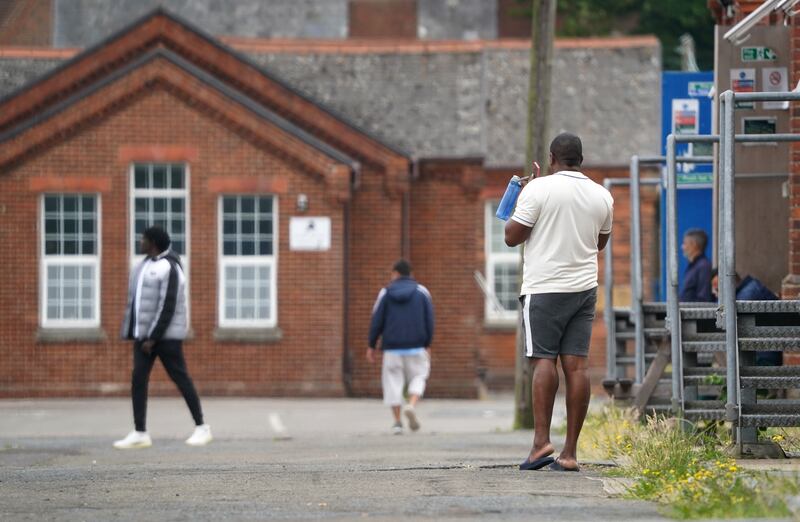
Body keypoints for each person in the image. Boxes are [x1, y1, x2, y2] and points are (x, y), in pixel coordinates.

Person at [504, 132, 613, 472]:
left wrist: (521, 196)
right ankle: (569, 453)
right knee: (577, 366)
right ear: (580, 158)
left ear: (551, 158)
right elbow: (600, 243)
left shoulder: (538, 188)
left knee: (543, 362)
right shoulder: (602, 196)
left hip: (544, 288)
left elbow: (511, 236)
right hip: (583, 289)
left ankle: (540, 443)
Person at [114, 226, 212, 449]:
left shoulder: (170, 266)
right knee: (138, 380)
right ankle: (140, 432)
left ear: (153, 242)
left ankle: (202, 427)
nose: (140, 242)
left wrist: (154, 337)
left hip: (165, 337)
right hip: (144, 337)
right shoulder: (143, 265)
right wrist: (135, 333)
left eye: (143, 239)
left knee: (181, 378)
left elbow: (168, 304)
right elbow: (136, 303)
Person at [367, 260, 434, 435]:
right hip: (417, 346)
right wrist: (427, 344)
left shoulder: (385, 293)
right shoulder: (422, 292)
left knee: (392, 383)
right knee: (419, 376)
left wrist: (372, 345)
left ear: (395, 273)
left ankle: (397, 422)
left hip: (392, 348)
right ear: (410, 274)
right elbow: (430, 321)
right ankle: (411, 404)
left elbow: (376, 321)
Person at [711, 268, 782, 367]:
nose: (715, 294)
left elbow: (721, 321)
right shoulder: (745, 290)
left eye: (717, 290)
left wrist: (720, 299)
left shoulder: (747, 294)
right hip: (761, 354)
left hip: (764, 358)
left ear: (730, 285)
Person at [680, 229, 713, 302]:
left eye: (685, 243)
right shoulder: (694, 266)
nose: (682, 247)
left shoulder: (704, 266)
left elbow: (704, 298)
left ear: (694, 244)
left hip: (695, 312)